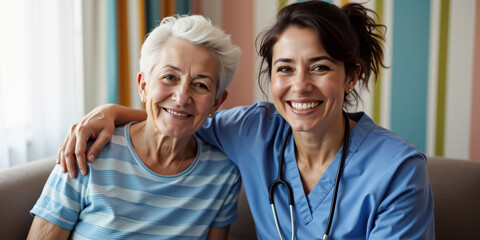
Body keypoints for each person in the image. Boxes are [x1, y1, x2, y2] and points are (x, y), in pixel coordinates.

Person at [56, 1, 435, 239]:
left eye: (320, 67)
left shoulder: (397, 170)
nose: (300, 86)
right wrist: (111, 112)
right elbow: (182, 114)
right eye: (285, 69)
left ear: (350, 76)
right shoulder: (255, 130)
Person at [28, 15, 242, 240]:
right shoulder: (87, 152)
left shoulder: (223, 174)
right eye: (169, 77)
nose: (181, 97)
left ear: (216, 102)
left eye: (200, 85)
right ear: (143, 86)